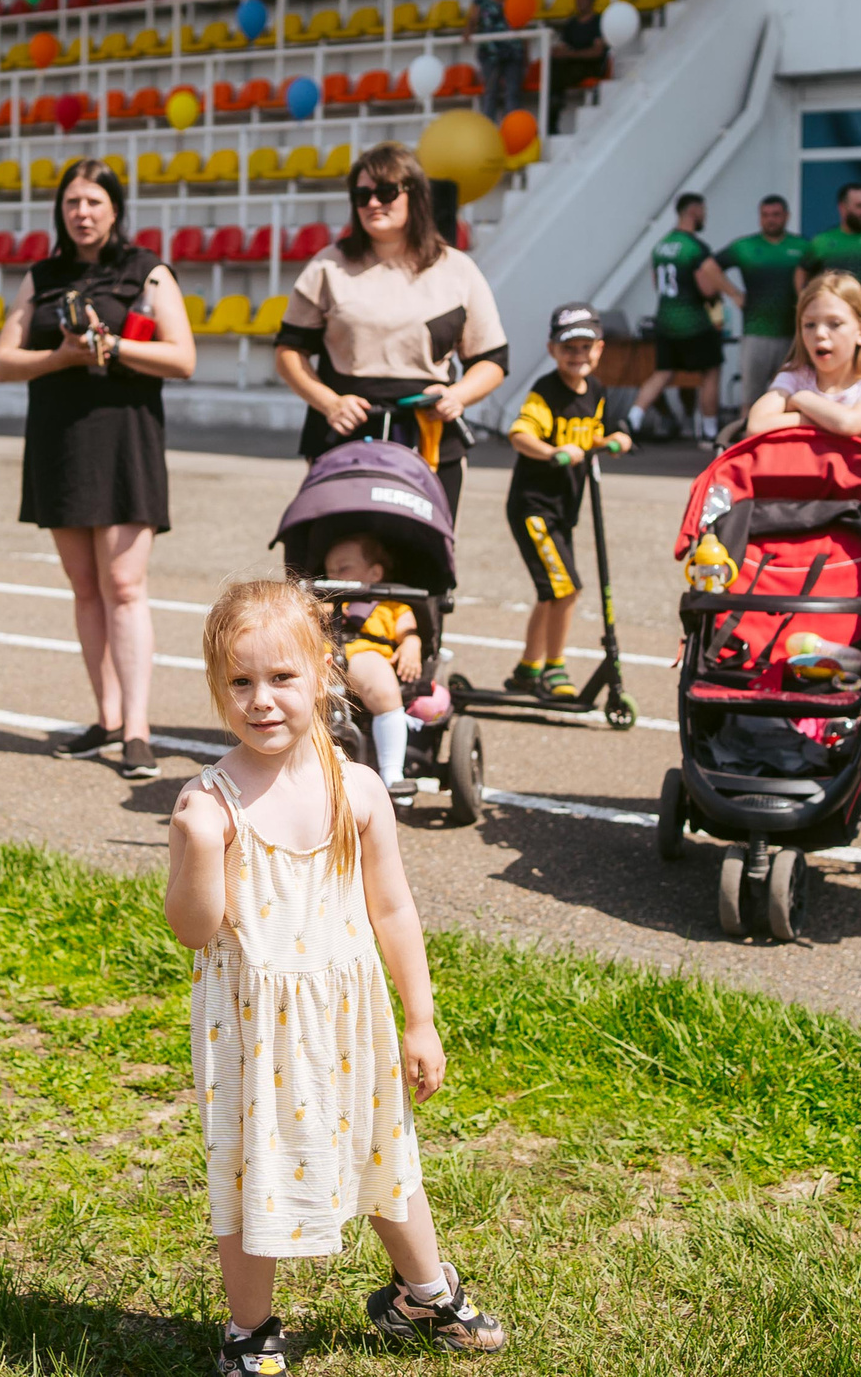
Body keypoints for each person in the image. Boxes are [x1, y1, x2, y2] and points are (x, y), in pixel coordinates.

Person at [165, 577, 508, 1374]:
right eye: (240, 682)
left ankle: (422, 1292)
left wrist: (419, 1019)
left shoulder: (355, 788)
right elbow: (192, 927)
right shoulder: (207, 801)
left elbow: (392, 908)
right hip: (254, 1030)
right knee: (252, 1172)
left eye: (281, 677)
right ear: (219, 687)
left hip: (351, 1021)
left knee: (384, 1154)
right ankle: (250, 1331)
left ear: (324, 672)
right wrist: (197, 845)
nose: (261, 700)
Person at [0, 158, 198, 783]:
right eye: (72, 202)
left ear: (115, 208)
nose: (81, 213)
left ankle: (138, 729)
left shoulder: (146, 270)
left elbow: (183, 358)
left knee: (126, 585)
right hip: (60, 440)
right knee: (85, 588)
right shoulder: (43, 276)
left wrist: (114, 347)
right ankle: (105, 718)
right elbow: (5, 360)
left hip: (125, 440)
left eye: (94, 202)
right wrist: (60, 356)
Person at [275, 141, 509, 521]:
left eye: (385, 192)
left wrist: (458, 396)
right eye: (362, 195)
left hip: (429, 436)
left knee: (424, 559)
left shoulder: (457, 269)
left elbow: (493, 360)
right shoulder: (328, 266)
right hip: (344, 435)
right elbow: (288, 351)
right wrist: (329, 402)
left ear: (414, 195)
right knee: (339, 559)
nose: (372, 203)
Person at [506, 302, 631, 699]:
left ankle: (528, 667)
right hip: (534, 507)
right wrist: (552, 451)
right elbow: (520, 434)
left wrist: (615, 440)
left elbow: (600, 430)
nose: (577, 356)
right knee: (565, 590)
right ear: (552, 350)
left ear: (599, 349)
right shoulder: (546, 391)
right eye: (568, 348)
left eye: (585, 348)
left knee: (551, 591)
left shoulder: (595, 390)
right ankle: (554, 668)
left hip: (564, 509)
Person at [746, 272, 861, 450]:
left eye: (835, 324)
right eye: (809, 325)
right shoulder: (794, 375)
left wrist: (800, 399)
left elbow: (848, 423)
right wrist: (826, 423)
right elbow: (756, 425)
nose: (819, 333)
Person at [321, 532, 424, 801]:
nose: (333, 575)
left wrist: (411, 645)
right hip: (324, 658)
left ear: (375, 572)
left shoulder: (391, 605)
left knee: (381, 684)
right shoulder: (324, 604)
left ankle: (392, 774)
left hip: (366, 654)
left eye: (343, 569)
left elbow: (408, 632)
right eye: (329, 571)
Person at [628, 193, 733, 445]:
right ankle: (709, 431)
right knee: (711, 372)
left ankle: (632, 419)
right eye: (703, 210)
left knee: (662, 373)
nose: (705, 215)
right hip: (693, 321)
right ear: (693, 210)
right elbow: (707, 287)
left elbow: (657, 282)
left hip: (665, 319)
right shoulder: (694, 247)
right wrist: (725, 295)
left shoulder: (661, 245)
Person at [717, 196, 810, 414]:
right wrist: (734, 293)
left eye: (776, 215)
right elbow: (708, 267)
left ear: (786, 216)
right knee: (751, 397)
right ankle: (748, 442)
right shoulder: (745, 246)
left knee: (791, 396)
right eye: (766, 215)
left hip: (791, 333)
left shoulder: (802, 246)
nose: (771, 220)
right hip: (756, 332)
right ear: (760, 217)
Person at [461, 0, 526, 125]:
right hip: (490, 53)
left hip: (513, 52)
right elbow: (472, 18)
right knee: (491, 92)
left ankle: (512, 128)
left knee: (513, 91)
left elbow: (522, 25)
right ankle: (489, 128)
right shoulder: (481, 0)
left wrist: (526, 54)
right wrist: (468, 31)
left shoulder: (513, 1)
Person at [545, 0, 608, 130]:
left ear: (592, 1)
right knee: (553, 64)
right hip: (571, 65)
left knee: (561, 72)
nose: (580, 1)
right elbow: (563, 45)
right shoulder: (571, 24)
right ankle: (553, 107)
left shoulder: (598, 22)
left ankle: (554, 107)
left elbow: (597, 52)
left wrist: (570, 54)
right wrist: (556, 51)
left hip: (590, 66)